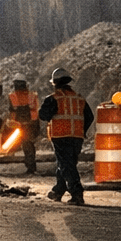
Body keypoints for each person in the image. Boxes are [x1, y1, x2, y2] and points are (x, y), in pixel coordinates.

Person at [39, 67, 93, 205]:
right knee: (67, 164)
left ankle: (77, 194)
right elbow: (90, 117)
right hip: (77, 137)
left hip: (61, 136)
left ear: (55, 83)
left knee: (66, 165)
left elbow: (43, 115)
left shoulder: (54, 98)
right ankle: (58, 190)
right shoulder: (79, 98)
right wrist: (82, 130)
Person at [7, 77, 40, 174]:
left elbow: (12, 112)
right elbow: (36, 110)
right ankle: (31, 165)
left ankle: (31, 167)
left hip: (21, 125)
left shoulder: (12, 96)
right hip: (31, 124)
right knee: (28, 144)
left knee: (26, 145)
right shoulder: (32, 95)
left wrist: (12, 125)